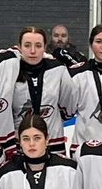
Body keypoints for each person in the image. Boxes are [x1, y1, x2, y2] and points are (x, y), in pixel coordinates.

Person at [12, 25, 73, 153]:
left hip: (53, 143)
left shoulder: (58, 69)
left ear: (45, 48)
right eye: (27, 45)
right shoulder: (11, 70)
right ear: (19, 47)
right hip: (21, 145)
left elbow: (68, 108)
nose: (33, 51)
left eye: (38, 46)